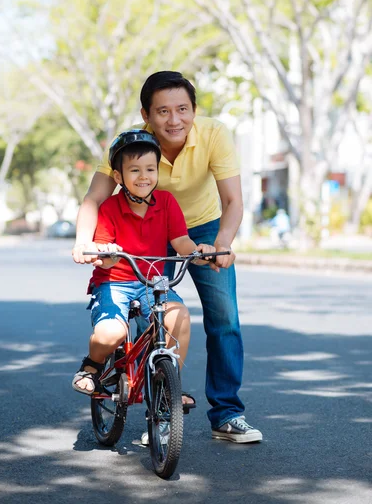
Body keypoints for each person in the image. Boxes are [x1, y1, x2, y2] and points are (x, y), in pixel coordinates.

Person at [73, 71, 263, 444]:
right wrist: (84, 243)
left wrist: (220, 245)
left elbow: (233, 201)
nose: (174, 120)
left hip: (201, 230)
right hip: (145, 228)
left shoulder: (214, 134)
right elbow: (94, 198)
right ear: (146, 114)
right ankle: (157, 404)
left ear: (194, 110)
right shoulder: (128, 145)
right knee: (149, 316)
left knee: (224, 318)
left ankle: (226, 414)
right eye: (163, 111)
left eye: (183, 109)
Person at [72, 129, 215, 411]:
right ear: (118, 177)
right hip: (115, 282)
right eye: (134, 170)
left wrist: (200, 253)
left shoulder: (167, 203)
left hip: (153, 283)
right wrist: (105, 254)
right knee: (111, 334)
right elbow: (104, 255)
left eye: (150, 169)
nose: (143, 176)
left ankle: (168, 387)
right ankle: (91, 366)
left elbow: (182, 243)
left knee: (179, 318)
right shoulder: (110, 208)